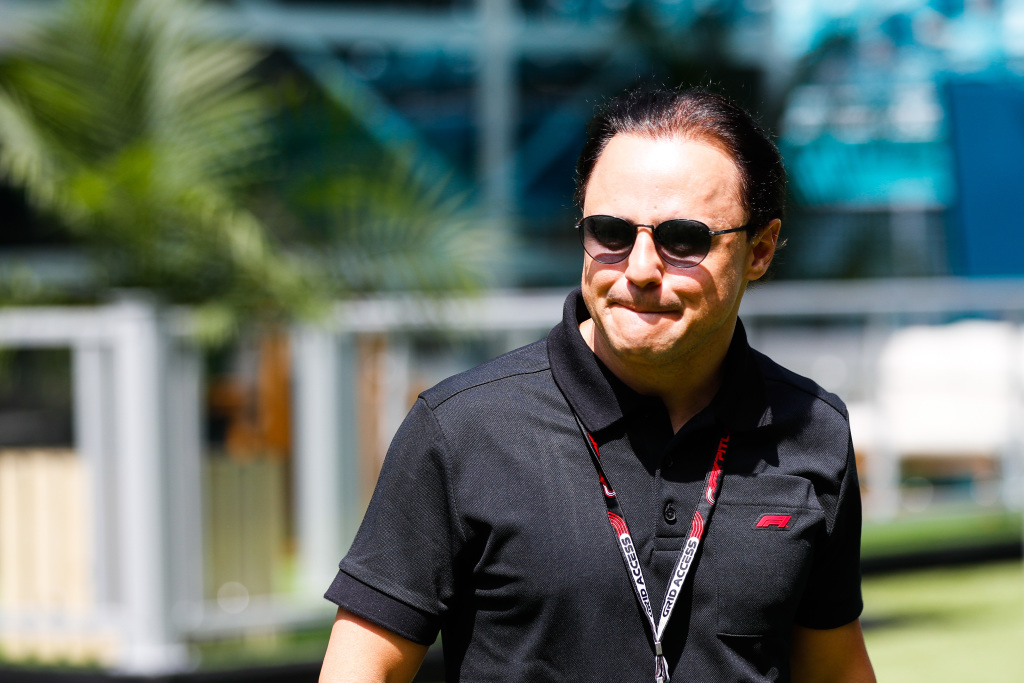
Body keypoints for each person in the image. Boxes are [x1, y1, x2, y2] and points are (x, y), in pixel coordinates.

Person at [319, 86, 876, 683]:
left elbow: (835, 667)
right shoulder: (461, 430)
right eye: (611, 232)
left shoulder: (812, 431)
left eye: (683, 240)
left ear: (759, 250)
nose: (640, 269)